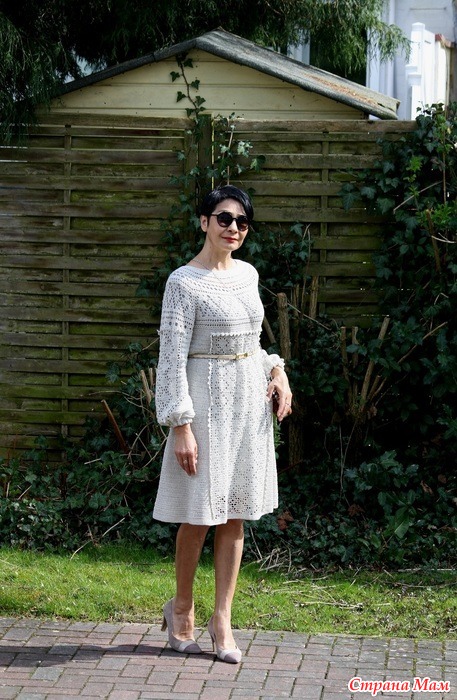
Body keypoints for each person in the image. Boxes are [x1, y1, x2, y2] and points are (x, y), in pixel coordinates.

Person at [153, 184, 293, 663]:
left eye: (242, 222)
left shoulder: (249, 274)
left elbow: (252, 342)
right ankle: (182, 609)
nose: (234, 228)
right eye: (224, 218)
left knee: (235, 515)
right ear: (204, 222)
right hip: (205, 407)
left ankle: (222, 620)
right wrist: (181, 425)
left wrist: (277, 371)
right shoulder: (182, 282)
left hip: (248, 406)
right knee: (198, 516)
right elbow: (171, 359)